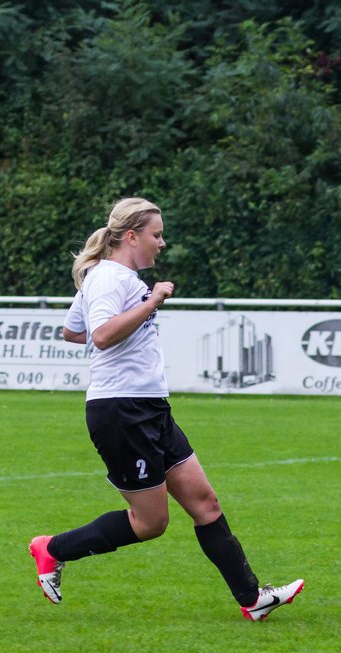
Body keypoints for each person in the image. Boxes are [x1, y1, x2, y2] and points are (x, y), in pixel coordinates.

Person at [27, 197, 304, 621]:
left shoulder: (112, 278)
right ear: (132, 236)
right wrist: (151, 303)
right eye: (156, 235)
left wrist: (133, 312)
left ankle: (253, 600)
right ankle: (52, 549)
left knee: (205, 504)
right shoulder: (109, 279)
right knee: (151, 522)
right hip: (120, 411)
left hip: (151, 406)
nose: (162, 242)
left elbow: (72, 331)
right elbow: (99, 336)